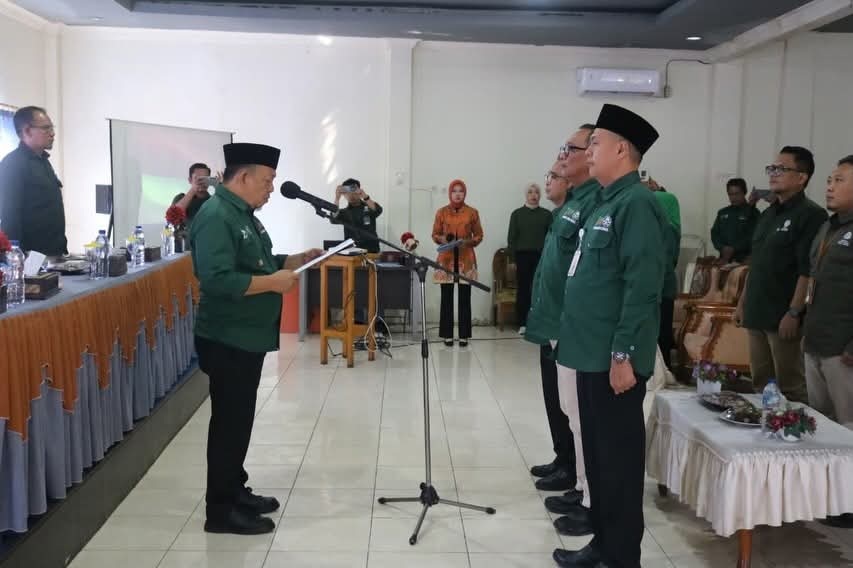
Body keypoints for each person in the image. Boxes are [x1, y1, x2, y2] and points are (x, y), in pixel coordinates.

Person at [190, 142, 323, 535]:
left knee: (239, 420)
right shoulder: (216, 215)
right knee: (229, 424)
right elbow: (216, 279)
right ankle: (220, 511)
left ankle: (235, 490)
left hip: (245, 335)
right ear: (244, 177)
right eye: (267, 181)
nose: (271, 189)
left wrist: (291, 262)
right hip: (227, 336)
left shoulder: (241, 214)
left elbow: (255, 264)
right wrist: (273, 282)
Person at [554, 104, 665, 568]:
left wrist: (624, 355)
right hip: (588, 353)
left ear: (621, 149)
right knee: (599, 459)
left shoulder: (637, 204)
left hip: (613, 360)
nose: (587, 151)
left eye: (595, 143)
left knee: (618, 463)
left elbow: (643, 286)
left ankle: (621, 557)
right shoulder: (605, 202)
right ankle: (602, 544)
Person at [524, 125, 600, 532]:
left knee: (582, 416)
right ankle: (581, 484)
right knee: (571, 411)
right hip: (557, 321)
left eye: (571, 148)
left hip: (576, 327)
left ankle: (589, 494)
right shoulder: (572, 206)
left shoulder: (597, 203)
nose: (563, 155)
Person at [735, 146, 828, 403]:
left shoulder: (811, 215)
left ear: (802, 177)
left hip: (783, 315)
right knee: (760, 384)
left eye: (781, 169)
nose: (773, 173)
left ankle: (797, 429)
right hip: (757, 310)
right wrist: (742, 303)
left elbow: (807, 270)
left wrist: (794, 311)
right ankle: (763, 428)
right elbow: (756, 263)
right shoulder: (768, 214)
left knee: (790, 387)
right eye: (772, 168)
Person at [804, 156, 853, 529]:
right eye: (830, 179)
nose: (830, 185)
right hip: (816, 340)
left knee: (849, 426)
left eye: (840, 179)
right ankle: (829, 497)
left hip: (844, 347)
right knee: (822, 423)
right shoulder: (828, 227)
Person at [0, 106, 67, 256]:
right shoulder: (12, 164)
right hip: (31, 257)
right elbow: (10, 217)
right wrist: (16, 258)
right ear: (27, 131)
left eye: (52, 128)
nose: (52, 133)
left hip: (55, 252)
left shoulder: (43, 161)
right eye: (46, 128)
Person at [432, 179, 484, 347]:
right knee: (446, 297)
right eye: (454, 191)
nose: (457, 194)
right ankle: (447, 334)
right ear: (450, 193)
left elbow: (479, 235)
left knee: (464, 297)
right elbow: (435, 234)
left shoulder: (472, 212)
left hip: (466, 258)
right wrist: (444, 239)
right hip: (446, 258)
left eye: (460, 191)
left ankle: (464, 335)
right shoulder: (441, 212)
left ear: (465, 193)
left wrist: (467, 242)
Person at [507, 182, 552, 334]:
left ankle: (539, 322)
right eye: (530, 192)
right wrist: (512, 260)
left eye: (536, 192)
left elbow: (550, 238)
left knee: (540, 289)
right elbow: (511, 238)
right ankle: (523, 323)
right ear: (526, 195)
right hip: (522, 256)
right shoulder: (517, 214)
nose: (534, 195)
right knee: (523, 289)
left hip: (541, 256)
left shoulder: (547, 215)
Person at [653, 189, 681, 370]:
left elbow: (663, 261)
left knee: (662, 333)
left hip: (660, 288)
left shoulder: (665, 230)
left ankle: (664, 371)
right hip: (661, 287)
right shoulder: (671, 229)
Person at [711, 178, 759, 263]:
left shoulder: (753, 212)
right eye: (730, 194)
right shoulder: (722, 212)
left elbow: (754, 235)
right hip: (724, 259)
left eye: (737, 194)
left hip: (745, 260)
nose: (733, 197)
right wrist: (722, 247)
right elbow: (715, 233)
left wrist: (735, 248)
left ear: (744, 192)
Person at [332, 177, 383, 252]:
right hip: (351, 251)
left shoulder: (369, 207)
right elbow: (333, 219)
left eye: (353, 190)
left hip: (371, 250)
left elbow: (378, 210)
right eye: (347, 192)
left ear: (359, 191)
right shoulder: (344, 212)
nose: (351, 195)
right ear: (344, 194)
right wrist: (337, 198)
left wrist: (365, 196)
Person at [171, 163, 214, 227]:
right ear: (190, 180)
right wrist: (193, 189)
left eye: (205, 178)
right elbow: (172, 220)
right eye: (198, 178)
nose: (202, 181)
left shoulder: (214, 201)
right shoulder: (180, 198)